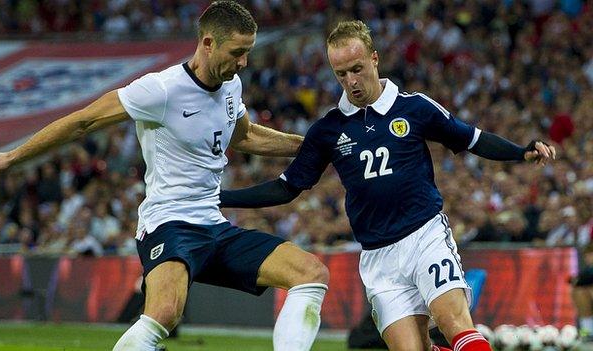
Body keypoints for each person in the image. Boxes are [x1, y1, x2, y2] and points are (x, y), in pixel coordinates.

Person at [0, 2, 330, 351]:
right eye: (237, 52)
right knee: (165, 314)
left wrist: (311, 145)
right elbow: (83, 121)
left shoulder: (231, 87)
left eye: (247, 51)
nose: (243, 62)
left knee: (310, 273)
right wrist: (11, 157)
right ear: (208, 43)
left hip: (215, 224)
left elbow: (246, 136)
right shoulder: (160, 89)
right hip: (169, 222)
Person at [220, 20, 557, 351]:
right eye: (341, 74)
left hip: (424, 235)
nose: (351, 81)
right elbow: (286, 187)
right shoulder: (328, 129)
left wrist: (519, 151)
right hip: (378, 258)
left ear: (375, 59)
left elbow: (472, 139)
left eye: (357, 68)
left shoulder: (413, 107)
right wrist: (221, 196)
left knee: (456, 324)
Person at [571, 243, 593, 341]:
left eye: (589, 255)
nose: (586, 258)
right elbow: (576, 280)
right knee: (579, 292)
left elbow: (580, 280)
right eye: (586, 256)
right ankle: (587, 330)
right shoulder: (588, 269)